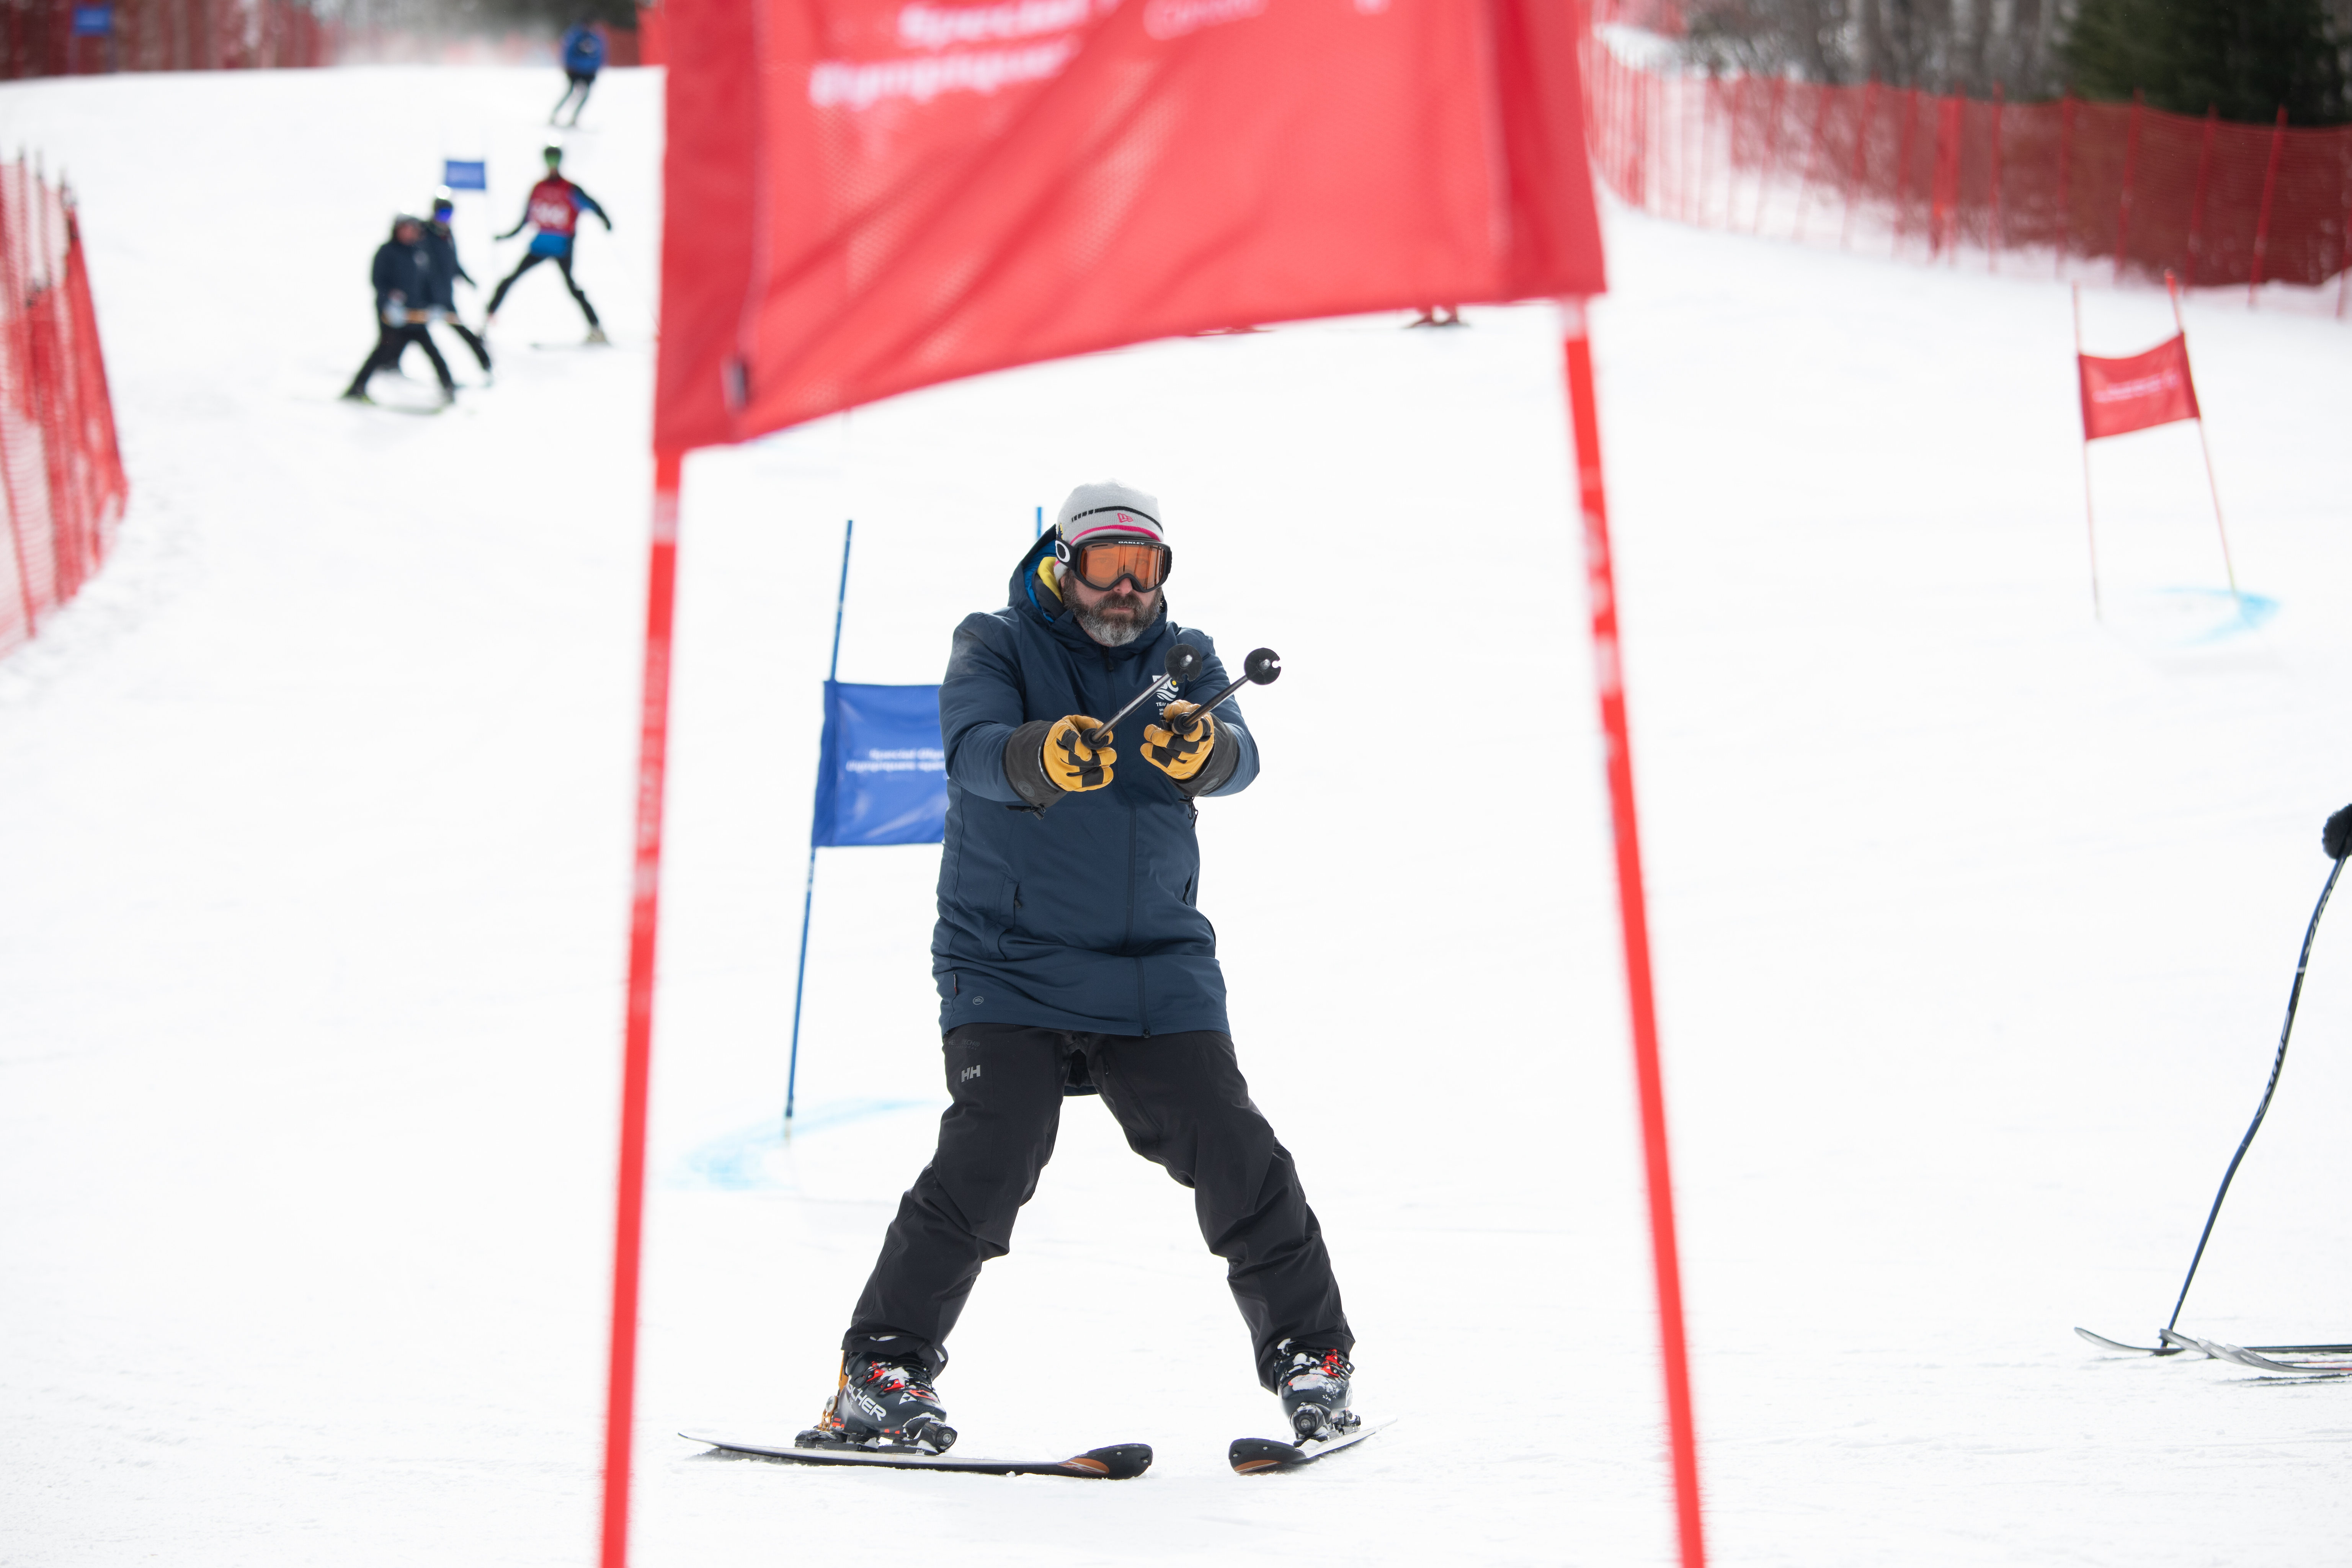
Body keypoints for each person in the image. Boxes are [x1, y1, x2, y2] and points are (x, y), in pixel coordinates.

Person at [803, 482, 1356, 1455]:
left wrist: (1205, 753)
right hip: (1006, 960)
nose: (1126, 593)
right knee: (993, 1151)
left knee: (1233, 1148)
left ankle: (1312, 1359)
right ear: (1063, 563)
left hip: (1152, 965)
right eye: (1107, 568)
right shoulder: (994, 643)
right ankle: (878, 1374)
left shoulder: (1181, 658)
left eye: (1145, 571)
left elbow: (1240, 758)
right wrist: (1039, 760)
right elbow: (973, 750)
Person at [485, 145, 611, 345]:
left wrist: (605, 221)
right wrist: (507, 236)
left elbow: (593, 205)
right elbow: (525, 219)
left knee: (573, 288)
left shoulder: (570, 189)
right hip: (540, 246)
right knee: (511, 279)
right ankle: (487, 319)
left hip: (562, 247)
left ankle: (596, 329)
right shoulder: (538, 188)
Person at [342, 216, 454, 405]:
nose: (408, 233)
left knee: (432, 352)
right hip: (394, 317)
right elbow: (378, 281)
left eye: (412, 230)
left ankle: (449, 389)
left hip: (416, 316)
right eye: (404, 229)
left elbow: (427, 284)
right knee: (382, 351)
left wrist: (435, 306)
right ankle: (357, 388)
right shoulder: (387, 251)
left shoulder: (420, 253)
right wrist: (390, 300)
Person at [411, 189, 492, 382]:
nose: (445, 219)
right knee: (412, 332)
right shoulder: (424, 233)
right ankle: (390, 361)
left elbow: (452, 263)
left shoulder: (447, 234)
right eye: (442, 214)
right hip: (426, 295)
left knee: (461, 330)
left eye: (449, 215)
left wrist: (466, 278)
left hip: (445, 296)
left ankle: (486, 363)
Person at [552, 18, 606, 127]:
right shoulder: (575, 36)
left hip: (589, 72)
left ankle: (574, 119)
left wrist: (595, 68)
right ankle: (555, 115)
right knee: (570, 93)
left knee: (585, 96)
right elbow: (568, 52)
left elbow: (600, 55)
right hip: (575, 70)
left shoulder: (595, 37)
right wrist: (569, 66)